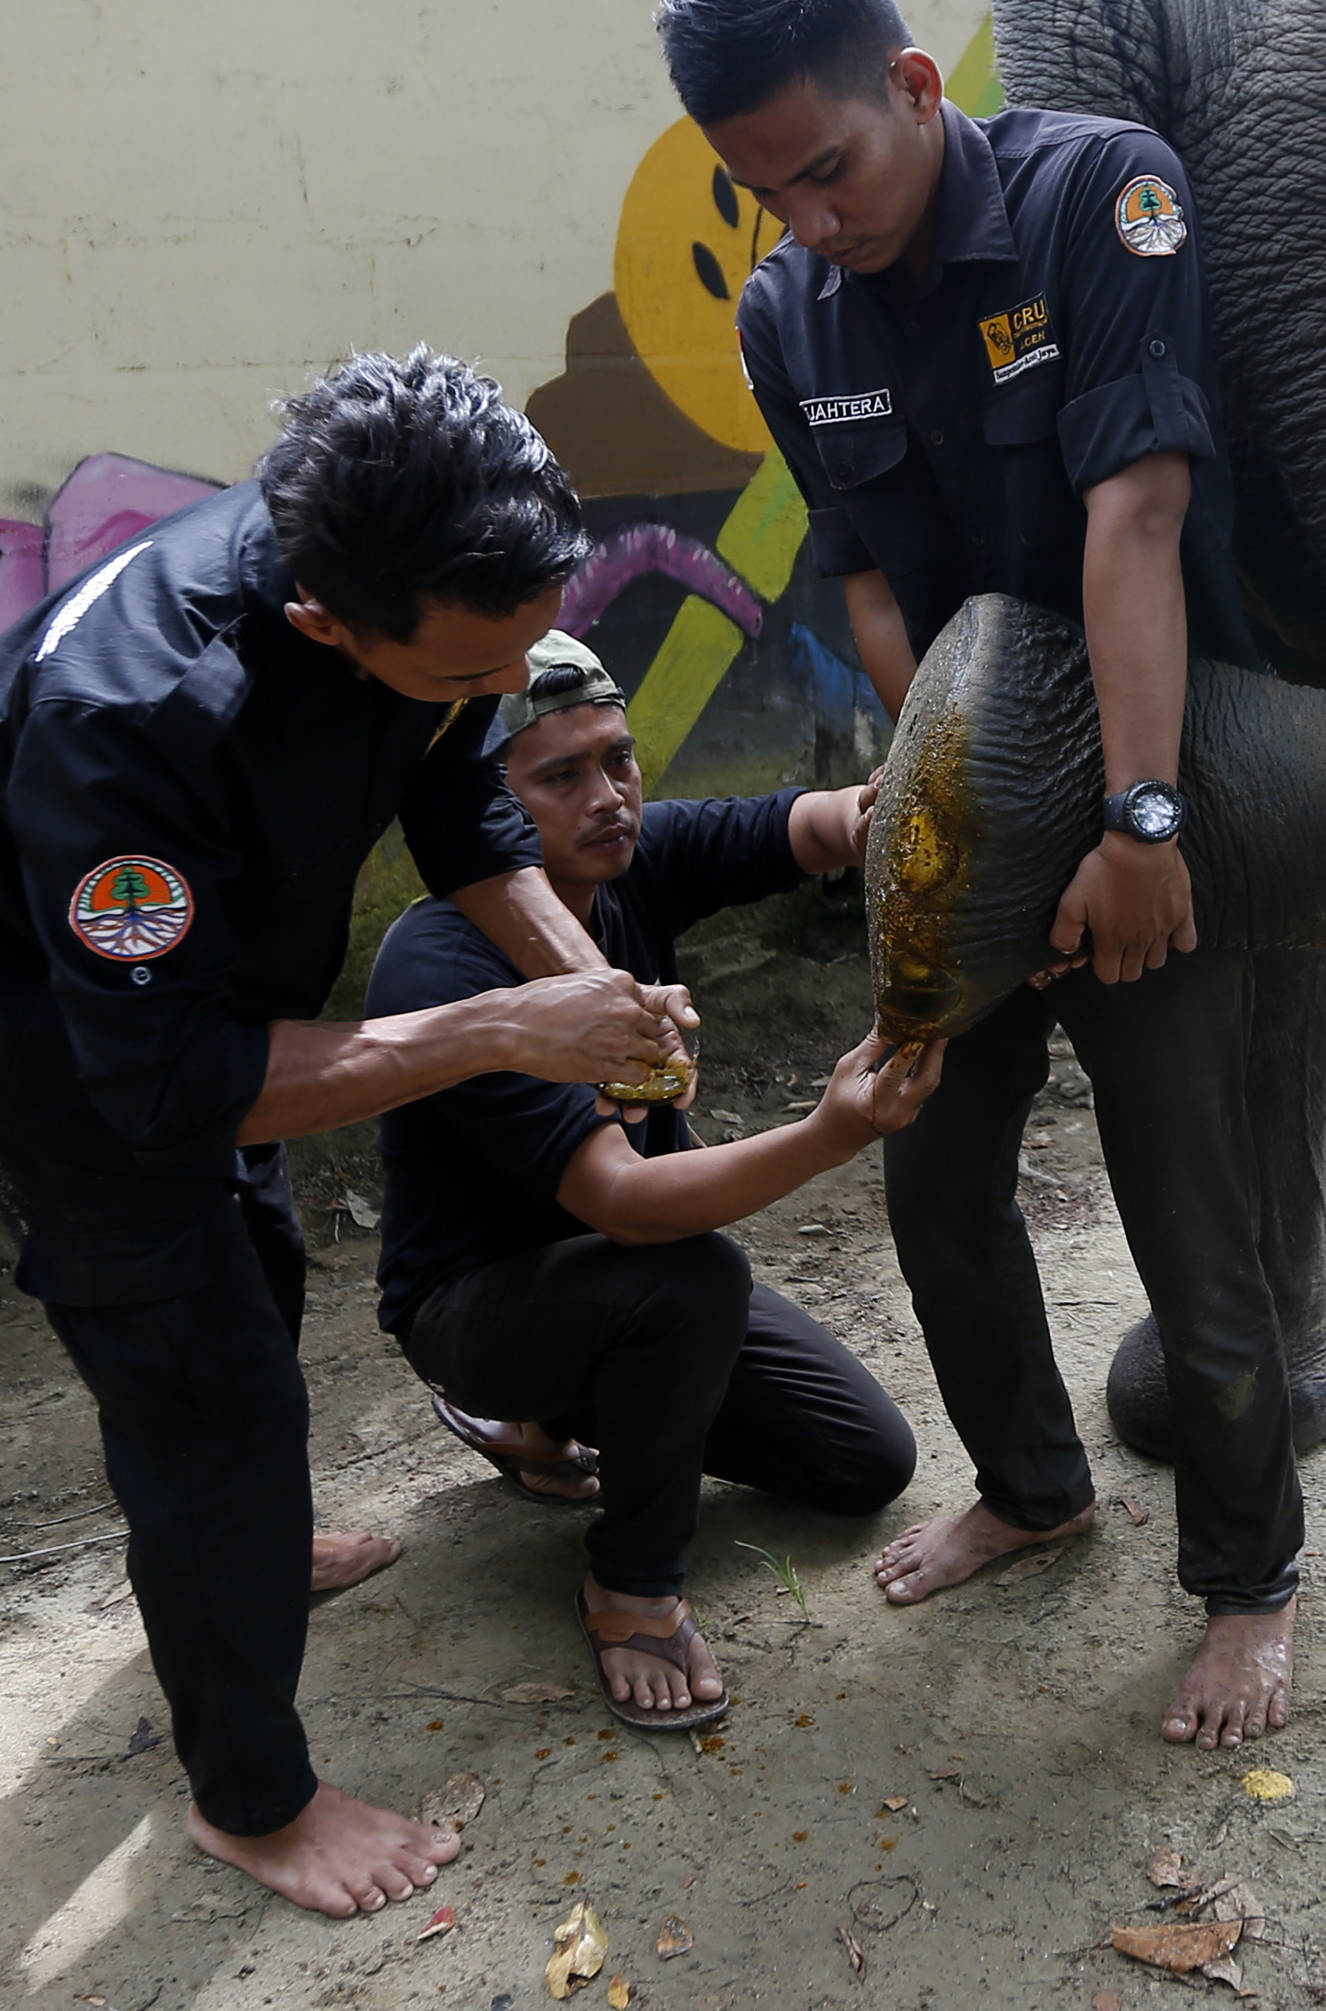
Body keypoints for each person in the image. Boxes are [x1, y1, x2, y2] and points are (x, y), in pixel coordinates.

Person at [0, 350, 696, 1918]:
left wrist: (596, 987)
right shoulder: (131, 715)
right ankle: (249, 1797)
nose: (498, 687)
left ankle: (237, 1553)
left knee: (253, 1282)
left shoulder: (414, 570)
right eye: (474, 669)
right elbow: (172, 1085)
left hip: (223, 1004)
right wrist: (494, 1029)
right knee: (206, 1390)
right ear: (328, 618)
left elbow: (461, 802)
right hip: (73, 1059)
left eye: (516, 655)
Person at [664, 0, 1303, 1749]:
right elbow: (870, 591)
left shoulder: (1106, 198)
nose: (810, 221)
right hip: (970, 804)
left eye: (830, 169)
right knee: (935, 1172)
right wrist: (939, 816)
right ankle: (1031, 1484)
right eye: (765, 191)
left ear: (918, 87)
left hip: (1140, 784)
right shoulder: (787, 309)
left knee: (1191, 1197)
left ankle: (1248, 1579)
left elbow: (1137, 525)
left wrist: (1135, 825)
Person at [365, 631, 942, 1727]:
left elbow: (811, 825)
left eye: (618, 758)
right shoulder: (442, 961)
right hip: (481, 1306)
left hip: (627, 1285)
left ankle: (555, 1424)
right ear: (486, 805)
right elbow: (620, 1199)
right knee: (693, 1283)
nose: (609, 795)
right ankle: (630, 1578)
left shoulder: (633, 866)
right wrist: (829, 1132)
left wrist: (899, 804)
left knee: (862, 1460)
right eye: (560, 774)